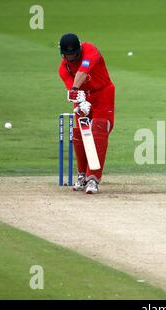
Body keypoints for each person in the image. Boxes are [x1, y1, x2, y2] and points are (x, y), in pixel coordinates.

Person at [58, 33, 115, 194]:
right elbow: (71, 89)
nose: (71, 57)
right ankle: (82, 175)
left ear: (80, 49)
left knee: (99, 130)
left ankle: (93, 179)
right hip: (83, 97)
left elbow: (83, 71)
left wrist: (75, 90)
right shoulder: (63, 69)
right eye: (68, 55)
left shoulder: (90, 50)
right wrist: (79, 100)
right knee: (82, 133)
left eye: (74, 54)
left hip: (103, 93)